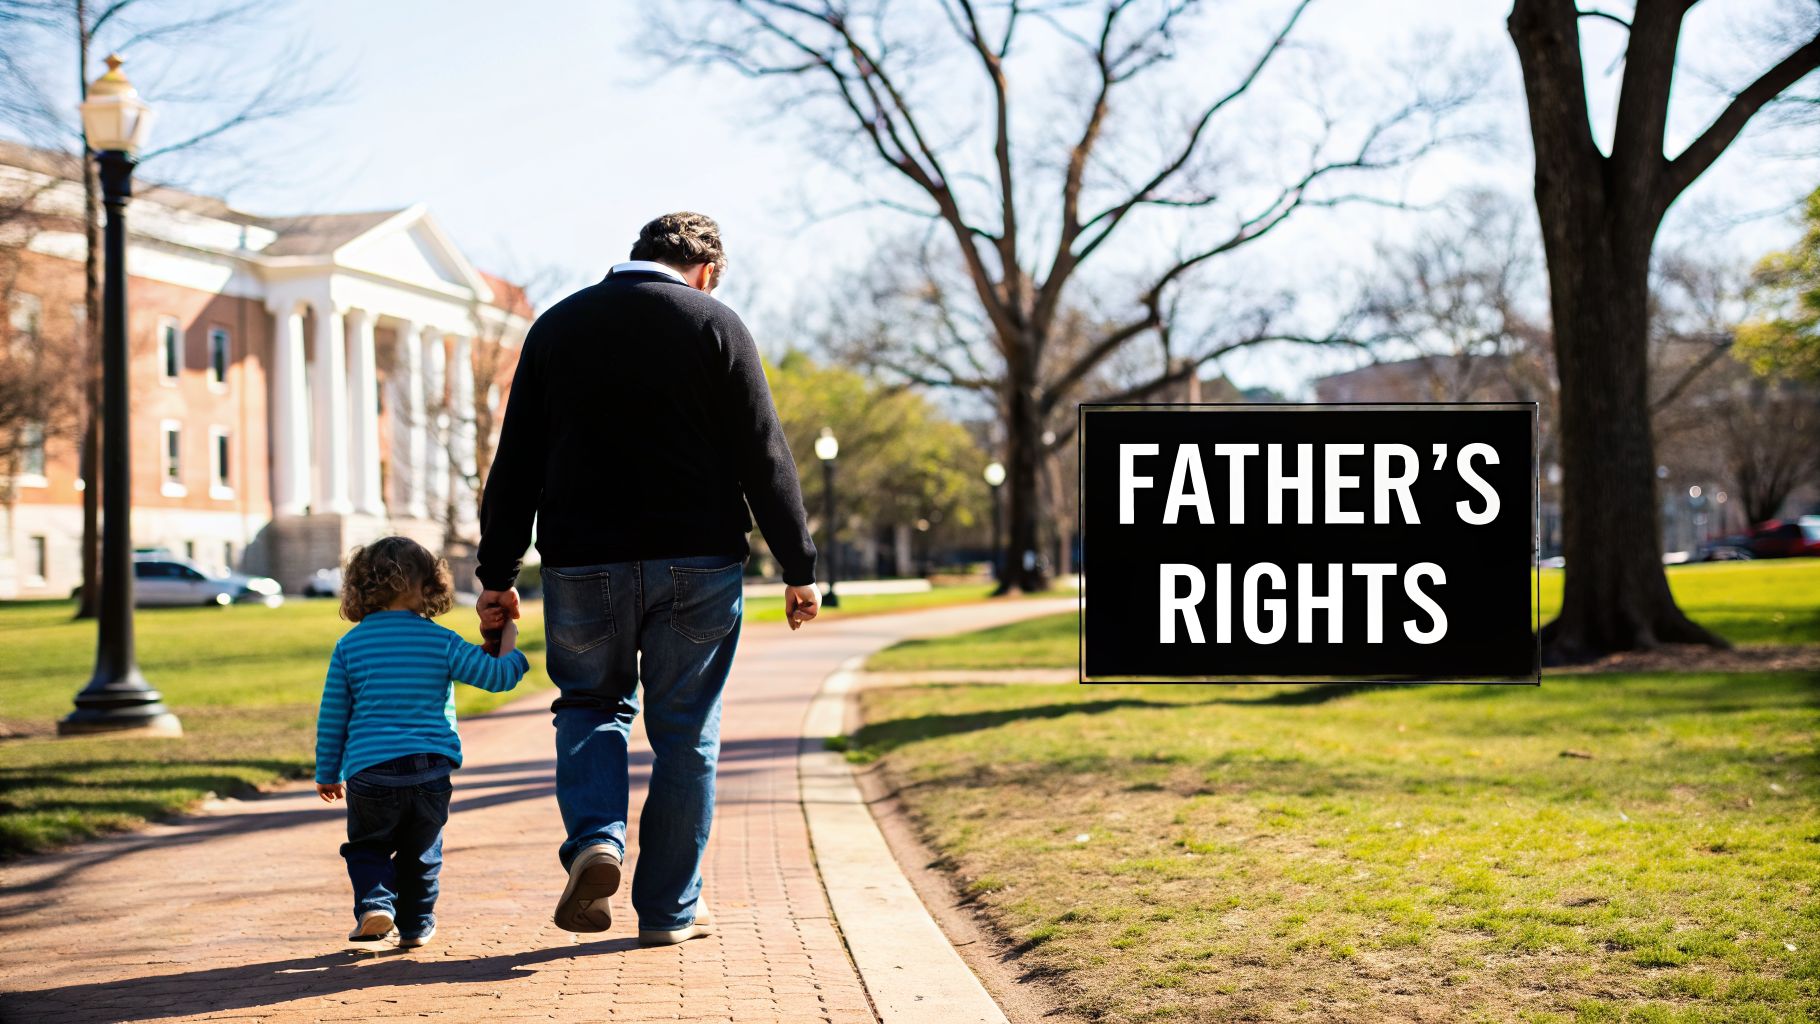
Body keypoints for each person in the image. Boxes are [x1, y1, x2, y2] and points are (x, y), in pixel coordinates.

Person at [474, 211, 821, 946]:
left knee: (590, 705)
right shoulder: (716, 324)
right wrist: (799, 567)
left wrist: (497, 573)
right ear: (706, 270)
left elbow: (517, 461)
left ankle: (596, 840)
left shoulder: (557, 327)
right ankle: (668, 911)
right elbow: (764, 452)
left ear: (637, 254)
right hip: (698, 560)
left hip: (581, 559)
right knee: (686, 733)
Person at [314, 536, 529, 948]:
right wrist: (510, 645)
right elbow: (496, 677)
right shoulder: (440, 640)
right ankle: (415, 924)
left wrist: (327, 771)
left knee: (368, 846)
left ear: (361, 586)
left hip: (370, 771)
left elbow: (333, 715)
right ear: (431, 585)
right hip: (430, 769)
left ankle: (376, 904)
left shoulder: (350, 646)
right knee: (422, 852)